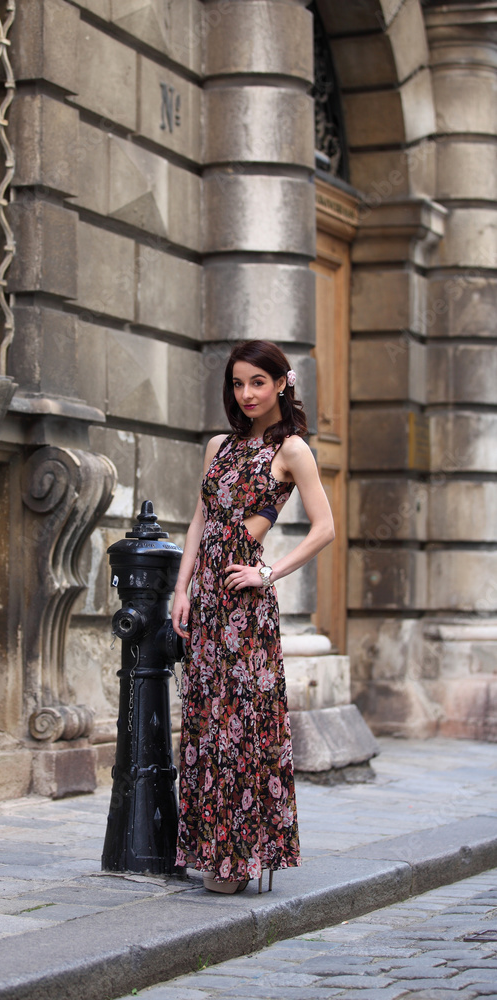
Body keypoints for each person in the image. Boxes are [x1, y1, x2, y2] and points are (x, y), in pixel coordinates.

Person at [171, 339, 335, 894]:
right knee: (206, 720)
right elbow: (199, 519)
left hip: (245, 607)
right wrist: (182, 588)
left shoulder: (292, 450)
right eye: (238, 383)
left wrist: (267, 575)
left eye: (258, 383)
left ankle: (239, 859)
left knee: (241, 723)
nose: (246, 394)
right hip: (207, 603)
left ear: (281, 383)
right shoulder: (218, 445)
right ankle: (209, 849)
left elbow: (324, 528)